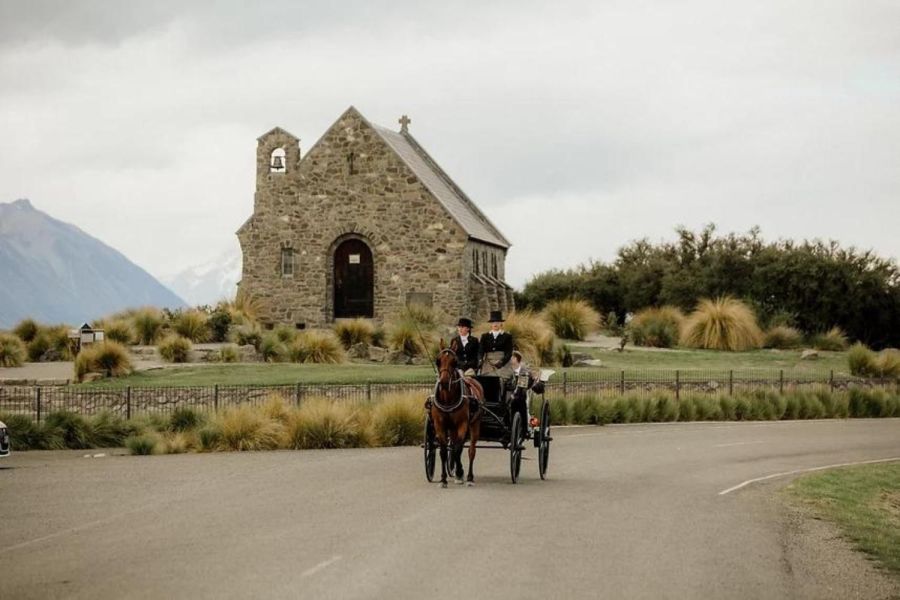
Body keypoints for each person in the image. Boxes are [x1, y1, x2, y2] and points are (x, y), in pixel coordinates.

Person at [507, 350, 545, 439]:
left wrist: (514, 396)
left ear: (516, 359)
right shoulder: (508, 370)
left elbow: (522, 387)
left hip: (522, 393)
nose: (510, 359)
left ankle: (524, 430)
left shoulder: (524, 371)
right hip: (510, 393)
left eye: (512, 358)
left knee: (520, 403)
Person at [478, 310, 513, 377]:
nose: (495, 324)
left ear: (501, 323)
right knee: (485, 378)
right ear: (491, 324)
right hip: (488, 363)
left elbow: (509, 352)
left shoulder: (507, 336)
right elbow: (481, 350)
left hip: (502, 362)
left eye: (497, 322)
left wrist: (502, 362)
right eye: (493, 322)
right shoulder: (485, 336)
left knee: (502, 379)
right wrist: (480, 360)